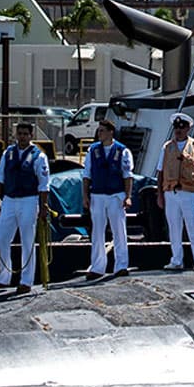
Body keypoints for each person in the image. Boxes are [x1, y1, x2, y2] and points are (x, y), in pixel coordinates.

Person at [0, 122, 51, 290]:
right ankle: (2, 277)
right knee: (2, 237)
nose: (22, 137)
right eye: (20, 134)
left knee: (27, 240)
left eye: (25, 134)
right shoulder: (8, 153)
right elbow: (0, 178)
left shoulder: (39, 156)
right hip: (9, 199)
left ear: (31, 136)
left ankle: (26, 280)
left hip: (28, 200)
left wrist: (43, 206)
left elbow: (44, 184)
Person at [155, 112, 194, 271]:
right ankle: (176, 259)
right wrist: (160, 194)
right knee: (174, 228)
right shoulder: (167, 147)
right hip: (171, 193)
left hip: (190, 192)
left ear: (188, 128)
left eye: (182, 127)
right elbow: (160, 172)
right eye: (176, 127)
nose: (178, 130)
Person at [83, 119, 134, 278]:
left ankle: (121, 265)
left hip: (115, 195)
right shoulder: (92, 151)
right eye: (99, 131)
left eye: (102, 131)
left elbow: (127, 176)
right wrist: (85, 196)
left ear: (110, 132)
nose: (99, 134)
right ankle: (97, 267)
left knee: (119, 231)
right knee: (97, 232)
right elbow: (86, 175)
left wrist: (128, 196)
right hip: (97, 195)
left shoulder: (122, 151)